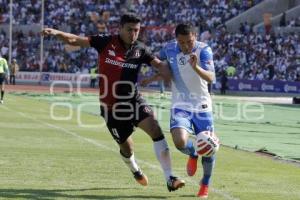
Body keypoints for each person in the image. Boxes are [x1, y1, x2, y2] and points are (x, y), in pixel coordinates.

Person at [42, 13, 185, 191]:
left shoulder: (141, 49)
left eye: (137, 30)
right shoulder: (105, 41)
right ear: (120, 28)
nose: (133, 34)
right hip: (111, 108)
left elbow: (159, 64)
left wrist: (168, 71)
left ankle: (170, 177)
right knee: (127, 147)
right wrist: (56, 32)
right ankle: (135, 169)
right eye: (129, 30)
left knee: (155, 129)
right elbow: (75, 40)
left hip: (133, 101)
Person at [142, 24, 218, 198]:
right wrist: (152, 77)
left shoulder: (204, 50)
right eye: (181, 42)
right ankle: (192, 153)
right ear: (176, 39)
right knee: (179, 142)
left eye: (189, 42)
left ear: (195, 36)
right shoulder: (168, 49)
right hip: (180, 104)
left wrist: (196, 67)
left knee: (209, 147)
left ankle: (205, 183)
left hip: (202, 106)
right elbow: (158, 63)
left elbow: (211, 77)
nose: (185, 46)